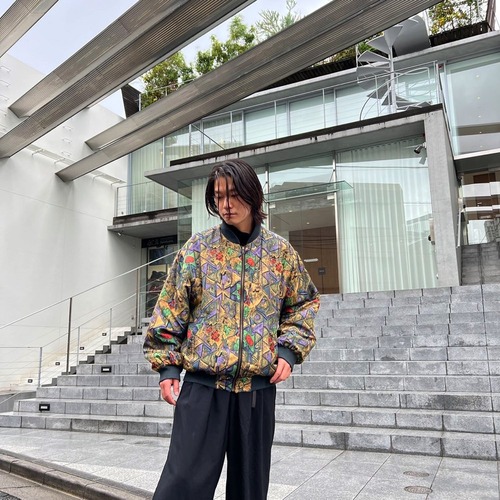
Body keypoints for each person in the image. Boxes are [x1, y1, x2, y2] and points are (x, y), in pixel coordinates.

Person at [144, 158, 320, 500]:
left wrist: (288, 350)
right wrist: (168, 368)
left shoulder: (280, 253)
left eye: (234, 195)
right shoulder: (197, 249)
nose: (226, 204)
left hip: (256, 392)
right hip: (202, 388)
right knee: (181, 485)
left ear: (253, 195)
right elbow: (169, 309)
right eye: (219, 196)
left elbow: (303, 303)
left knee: (250, 490)